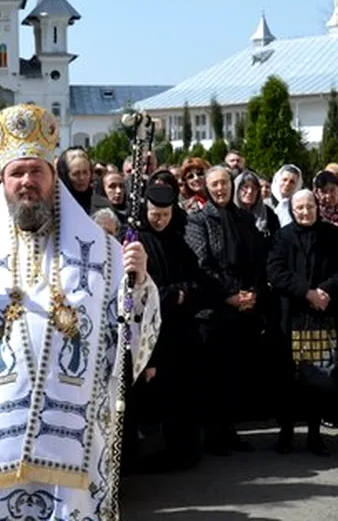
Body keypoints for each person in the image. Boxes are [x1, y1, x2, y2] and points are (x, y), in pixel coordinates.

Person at [0, 104, 161, 518]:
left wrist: (140, 285)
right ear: (2, 181)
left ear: (53, 178)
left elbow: (133, 327)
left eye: (36, 171)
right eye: (17, 173)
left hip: (75, 438)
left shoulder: (101, 252)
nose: (26, 182)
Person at [184, 164, 269, 454]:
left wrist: (253, 292)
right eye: (215, 184)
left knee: (235, 373)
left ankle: (230, 430)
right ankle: (211, 435)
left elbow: (258, 261)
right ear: (207, 188)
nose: (221, 189)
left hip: (243, 310)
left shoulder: (244, 219)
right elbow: (201, 265)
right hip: (212, 310)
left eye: (224, 183)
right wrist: (229, 296)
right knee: (212, 375)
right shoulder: (197, 221)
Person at [266, 190, 338, 456]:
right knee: (290, 377)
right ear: (292, 209)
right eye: (299, 207)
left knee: (319, 379)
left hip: (322, 315)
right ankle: (286, 431)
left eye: (309, 207)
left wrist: (324, 290)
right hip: (292, 316)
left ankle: (315, 434)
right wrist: (307, 292)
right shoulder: (282, 236)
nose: (305, 212)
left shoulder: (333, 235)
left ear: (317, 207)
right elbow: (276, 271)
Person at [136, 183, 206, 471]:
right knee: (160, 395)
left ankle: (186, 451)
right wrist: (172, 294)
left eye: (165, 214)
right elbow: (140, 289)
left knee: (184, 391)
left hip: (182, 330)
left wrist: (181, 293)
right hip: (154, 333)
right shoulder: (138, 241)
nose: (160, 220)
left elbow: (196, 280)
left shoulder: (177, 239)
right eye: (155, 214)